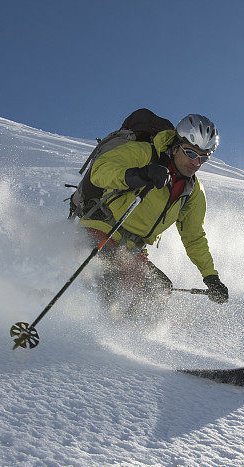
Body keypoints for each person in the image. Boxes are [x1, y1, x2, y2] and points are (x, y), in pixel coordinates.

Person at [78, 114, 228, 316]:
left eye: (203, 158)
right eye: (191, 153)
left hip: (132, 249)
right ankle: (85, 335)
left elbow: (194, 237)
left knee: (159, 289)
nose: (196, 163)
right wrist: (139, 175)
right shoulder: (145, 154)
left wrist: (211, 277)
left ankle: (130, 336)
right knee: (108, 282)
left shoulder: (192, 191)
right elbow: (100, 171)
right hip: (102, 229)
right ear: (176, 146)